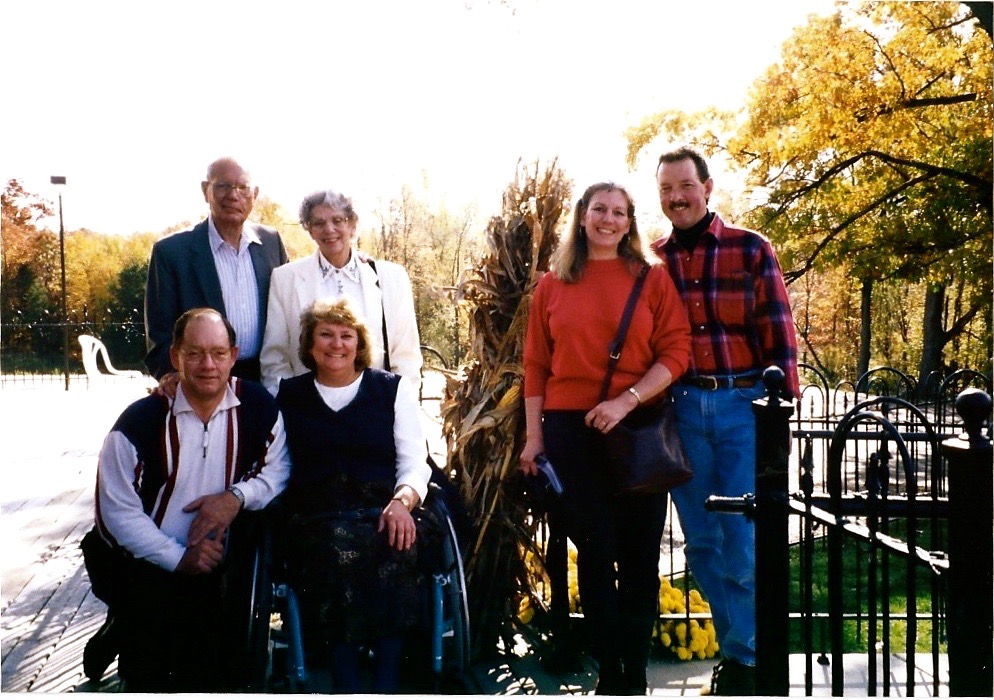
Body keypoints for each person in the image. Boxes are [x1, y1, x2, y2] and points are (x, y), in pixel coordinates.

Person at [520, 182, 691, 695]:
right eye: (600, 210)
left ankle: (632, 673)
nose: (609, 220)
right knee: (593, 553)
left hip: (635, 428)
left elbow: (676, 352)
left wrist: (626, 401)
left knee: (639, 557)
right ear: (582, 217)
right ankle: (609, 669)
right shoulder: (552, 284)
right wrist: (534, 440)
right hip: (572, 433)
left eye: (619, 212)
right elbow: (536, 364)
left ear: (630, 222)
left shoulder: (651, 279)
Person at [651, 146, 800, 696]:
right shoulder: (655, 259)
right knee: (703, 544)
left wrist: (778, 415)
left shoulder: (749, 248)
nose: (676, 198)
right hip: (684, 409)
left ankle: (748, 659)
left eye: (685, 186)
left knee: (744, 540)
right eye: (666, 189)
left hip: (744, 405)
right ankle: (741, 648)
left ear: (707, 188)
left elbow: (778, 331)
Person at [90, 307, 291, 691]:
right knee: (152, 677)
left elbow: (278, 470)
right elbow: (116, 513)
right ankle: (124, 627)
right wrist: (178, 558)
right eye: (195, 353)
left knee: (227, 674)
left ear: (234, 356)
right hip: (149, 567)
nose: (208, 364)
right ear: (174, 357)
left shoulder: (260, 408)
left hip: (226, 569)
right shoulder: (138, 423)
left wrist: (236, 497)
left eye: (218, 353)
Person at [275, 297, 430, 693]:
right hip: (316, 513)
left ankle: (387, 678)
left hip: (382, 505)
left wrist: (403, 501)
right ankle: (345, 679)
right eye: (325, 334)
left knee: (399, 542)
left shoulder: (391, 390)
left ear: (360, 345)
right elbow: (277, 466)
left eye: (347, 335)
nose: (337, 344)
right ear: (310, 344)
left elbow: (415, 462)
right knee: (333, 548)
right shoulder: (289, 395)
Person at [261, 189, 421, 394]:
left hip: (375, 408)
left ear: (352, 225)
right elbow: (275, 358)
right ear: (309, 229)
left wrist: (402, 408)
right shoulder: (285, 279)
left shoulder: (391, 277)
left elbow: (406, 356)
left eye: (338, 220)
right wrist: (292, 408)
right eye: (319, 223)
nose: (329, 229)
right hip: (307, 412)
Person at [144, 156, 289, 382]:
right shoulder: (172, 252)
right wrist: (169, 376)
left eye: (243, 187)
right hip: (201, 382)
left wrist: (350, 259)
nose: (233, 195)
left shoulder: (271, 242)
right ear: (205, 191)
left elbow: (291, 301)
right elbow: (160, 331)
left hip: (265, 381)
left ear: (255, 195)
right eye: (223, 186)